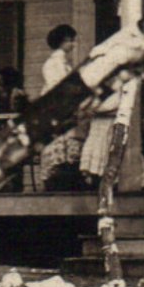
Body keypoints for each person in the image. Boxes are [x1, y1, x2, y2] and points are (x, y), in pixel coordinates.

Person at [38, 26, 88, 189]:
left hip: (66, 110)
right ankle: (57, 180)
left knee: (69, 148)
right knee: (59, 147)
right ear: (62, 42)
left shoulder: (64, 63)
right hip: (57, 110)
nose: (73, 44)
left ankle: (67, 177)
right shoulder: (54, 63)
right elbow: (58, 87)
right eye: (70, 40)